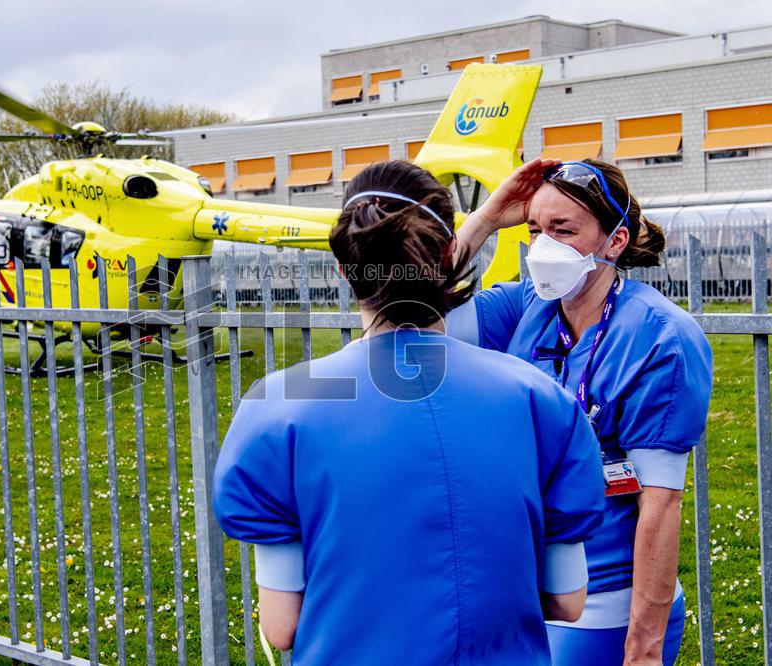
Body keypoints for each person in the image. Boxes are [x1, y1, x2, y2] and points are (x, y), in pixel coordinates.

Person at [212, 160, 606, 664]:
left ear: (343, 267)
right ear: (448, 254)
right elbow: (568, 601)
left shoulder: (278, 403)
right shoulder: (539, 397)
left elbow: (281, 626)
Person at [448, 158, 714, 665]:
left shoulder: (658, 337)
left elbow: (659, 506)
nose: (542, 246)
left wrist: (643, 649)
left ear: (614, 241)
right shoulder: (529, 306)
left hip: (600, 608)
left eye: (563, 230)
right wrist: (485, 219)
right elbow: (415, 313)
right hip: (520, 594)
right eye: (535, 230)